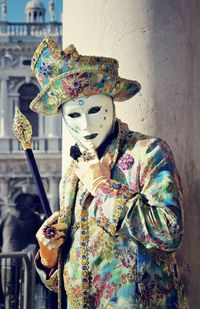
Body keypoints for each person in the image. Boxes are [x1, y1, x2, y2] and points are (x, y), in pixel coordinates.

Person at [31, 36, 189, 308]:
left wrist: (103, 188)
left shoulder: (148, 152)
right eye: (74, 115)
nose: (86, 124)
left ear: (111, 105)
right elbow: (75, 273)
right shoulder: (72, 174)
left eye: (95, 109)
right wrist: (47, 258)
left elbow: (169, 231)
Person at [0, 193, 43, 309]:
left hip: (7, 261)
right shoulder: (34, 218)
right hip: (26, 262)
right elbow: (43, 237)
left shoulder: (8, 216)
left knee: (10, 295)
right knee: (27, 294)